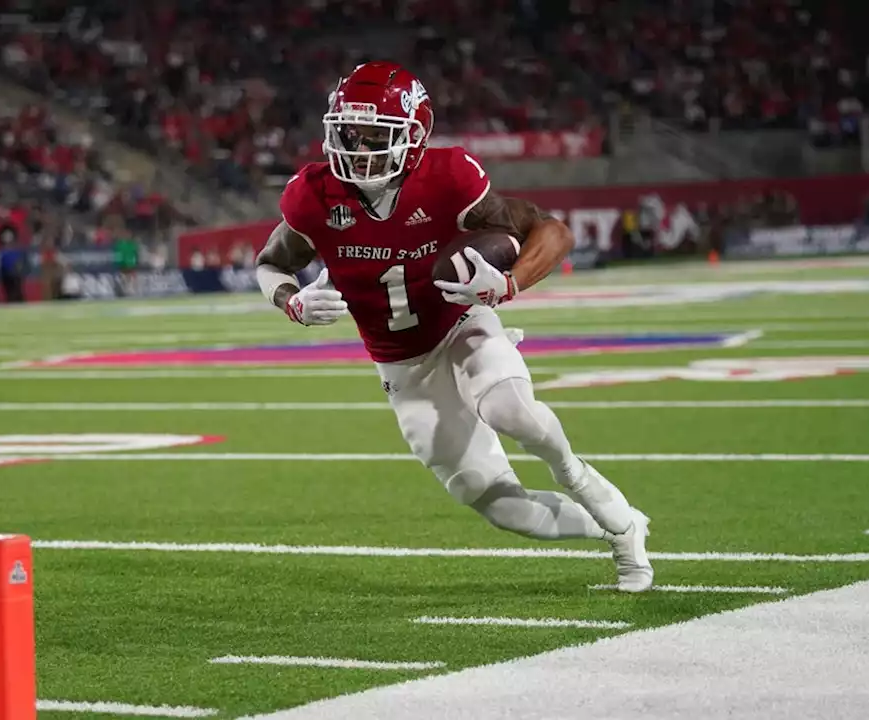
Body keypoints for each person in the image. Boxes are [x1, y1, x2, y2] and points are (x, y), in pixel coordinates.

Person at [256, 61, 652, 592]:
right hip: (401, 365)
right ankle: (622, 527)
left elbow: (549, 230)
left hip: (459, 322)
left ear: (414, 135)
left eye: (377, 133)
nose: (358, 144)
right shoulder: (314, 194)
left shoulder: (449, 177)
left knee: (512, 411)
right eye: (350, 131)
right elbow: (269, 263)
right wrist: (291, 301)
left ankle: (587, 485)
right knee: (505, 509)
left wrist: (505, 286)